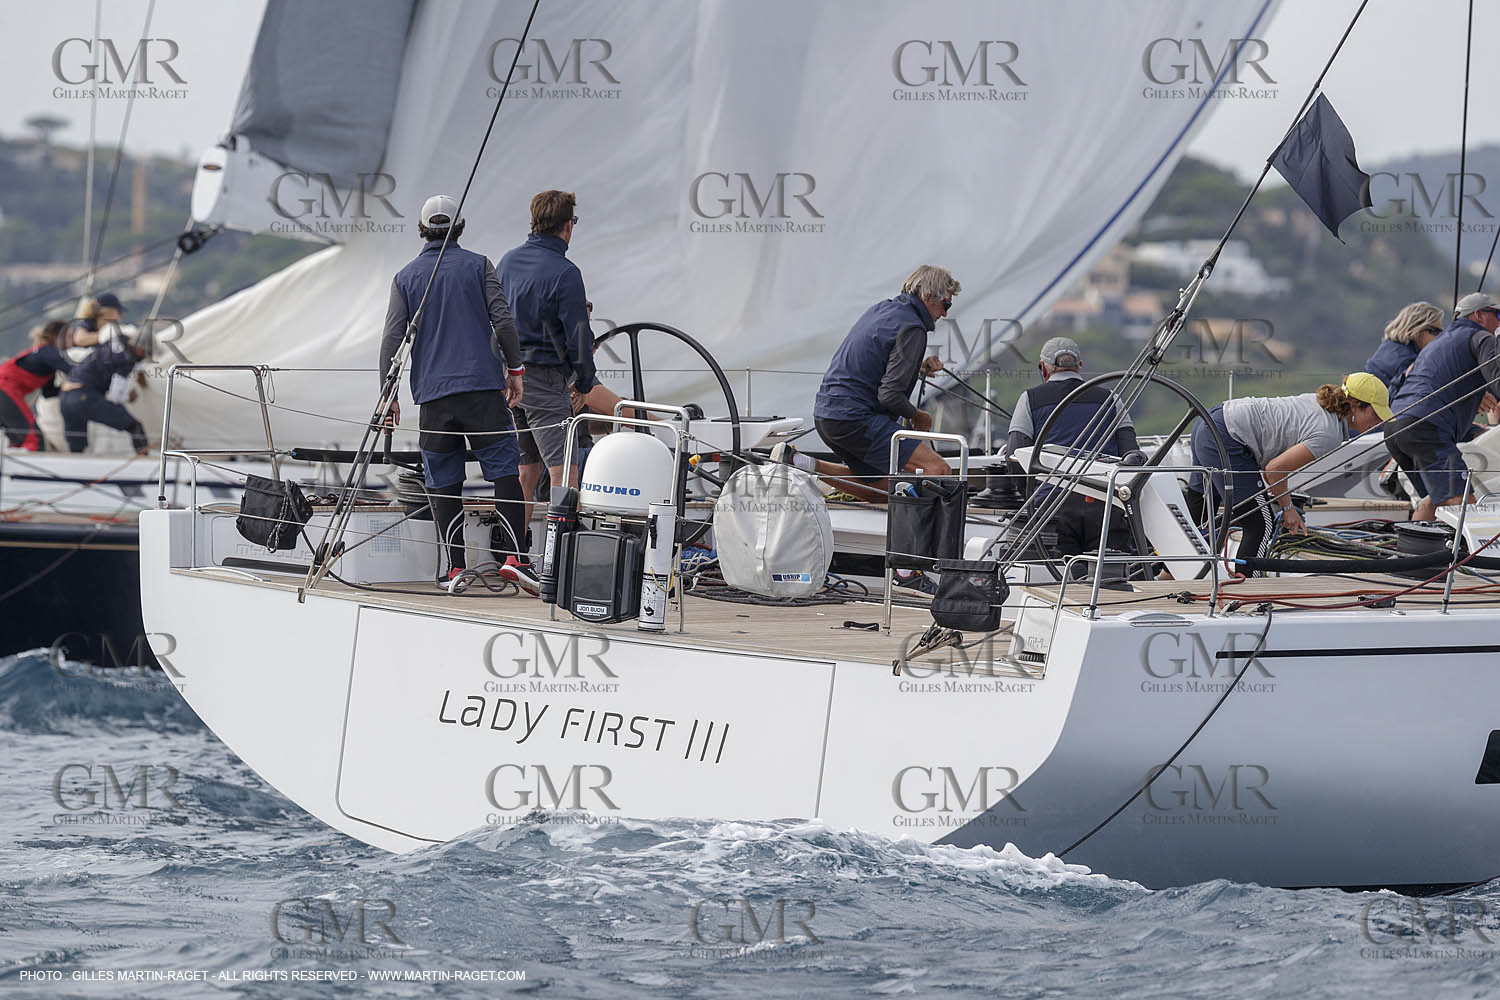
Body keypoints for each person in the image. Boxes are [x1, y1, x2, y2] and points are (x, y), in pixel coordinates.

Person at [380, 194, 535, 593]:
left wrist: (388, 395)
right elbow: (503, 321)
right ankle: (514, 559)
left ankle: (454, 569)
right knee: (504, 471)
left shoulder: (405, 277)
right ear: (460, 227)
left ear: (421, 229)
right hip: (483, 390)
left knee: (444, 481)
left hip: (433, 397)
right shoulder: (479, 265)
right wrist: (515, 370)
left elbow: (392, 341)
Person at [1189, 374, 1391, 569]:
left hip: (1210, 421)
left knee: (1201, 509)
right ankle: (1246, 591)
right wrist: (1289, 510)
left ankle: (1168, 575)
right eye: (1376, 413)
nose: (1379, 421)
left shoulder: (1321, 404)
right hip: (1227, 438)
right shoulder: (1329, 432)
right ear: (1355, 406)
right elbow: (1274, 470)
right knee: (1261, 524)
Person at [497, 190, 599, 532]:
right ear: (567, 226)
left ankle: (515, 553)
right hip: (544, 380)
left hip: (507, 379)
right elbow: (578, 337)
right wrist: (584, 383)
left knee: (527, 471)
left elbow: (493, 318)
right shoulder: (566, 272)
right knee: (564, 471)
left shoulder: (507, 262)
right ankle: (560, 561)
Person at [813, 265, 956, 488]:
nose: (945, 313)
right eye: (945, 305)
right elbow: (889, 396)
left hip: (826, 417)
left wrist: (916, 365)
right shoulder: (914, 328)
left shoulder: (881, 309)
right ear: (928, 297)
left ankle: (801, 463)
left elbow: (877, 358)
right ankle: (935, 524)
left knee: (879, 487)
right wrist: (917, 415)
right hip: (855, 419)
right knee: (939, 470)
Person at [1005, 336, 1139, 559]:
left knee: (1060, 577)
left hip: (1052, 506)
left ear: (1043, 369)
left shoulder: (1029, 399)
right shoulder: (1111, 398)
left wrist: (1031, 498)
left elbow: (1015, 457)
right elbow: (1132, 454)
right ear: (1079, 366)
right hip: (1105, 505)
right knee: (1110, 577)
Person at [1385, 292, 1500, 521]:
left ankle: (1413, 551)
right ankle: (1472, 557)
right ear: (1478, 314)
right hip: (1425, 427)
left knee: (1433, 500)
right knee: (1463, 500)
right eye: (1497, 314)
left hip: (1395, 427)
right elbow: (1496, 378)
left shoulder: (1439, 341)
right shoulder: (1481, 337)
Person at [57, 319, 149, 453]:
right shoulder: (128, 359)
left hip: (65, 397)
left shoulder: (118, 339)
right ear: (140, 350)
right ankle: (144, 462)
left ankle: (75, 469)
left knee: (77, 444)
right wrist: (127, 397)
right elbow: (115, 395)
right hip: (84, 397)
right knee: (134, 426)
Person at [0, 320, 70, 450]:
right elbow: (70, 368)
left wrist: (66, 389)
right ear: (57, 337)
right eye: (69, 336)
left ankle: (14, 468)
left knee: (18, 439)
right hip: (5, 390)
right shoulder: (47, 351)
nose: (73, 341)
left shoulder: (44, 358)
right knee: (34, 439)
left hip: (5, 392)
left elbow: (49, 393)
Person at [1365, 301, 1444, 401]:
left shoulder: (1388, 347)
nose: (1440, 338)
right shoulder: (1408, 362)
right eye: (1435, 332)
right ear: (1417, 328)